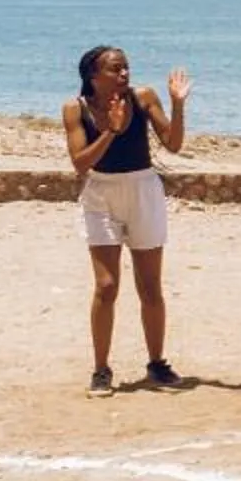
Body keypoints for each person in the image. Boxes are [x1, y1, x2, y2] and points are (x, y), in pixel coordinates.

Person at [60, 46, 191, 395]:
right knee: (106, 287)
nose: (124, 74)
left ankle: (157, 363)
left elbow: (174, 144)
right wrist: (111, 132)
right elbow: (80, 163)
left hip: (143, 189)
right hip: (100, 194)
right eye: (116, 69)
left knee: (150, 287)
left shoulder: (143, 97)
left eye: (126, 68)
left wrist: (178, 104)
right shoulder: (76, 109)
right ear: (93, 75)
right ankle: (101, 370)